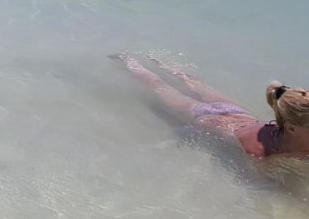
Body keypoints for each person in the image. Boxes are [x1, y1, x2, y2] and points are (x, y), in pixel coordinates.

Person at [116, 54, 309, 158]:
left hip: (239, 114)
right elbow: (264, 187)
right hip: (209, 118)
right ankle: (129, 60)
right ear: (291, 128)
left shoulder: (297, 133)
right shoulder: (259, 151)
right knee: (159, 87)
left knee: (197, 84)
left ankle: (160, 62)